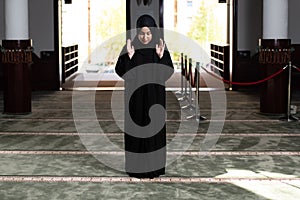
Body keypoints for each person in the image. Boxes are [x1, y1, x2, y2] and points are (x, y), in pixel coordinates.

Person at [115, 14, 174, 179]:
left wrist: (161, 58)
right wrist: (130, 58)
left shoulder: (160, 46)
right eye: (142, 33)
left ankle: (155, 167)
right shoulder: (130, 47)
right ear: (137, 32)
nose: (145, 37)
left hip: (155, 99)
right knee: (136, 130)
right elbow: (121, 72)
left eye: (148, 33)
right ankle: (136, 167)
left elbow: (168, 72)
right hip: (135, 99)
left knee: (154, 131)